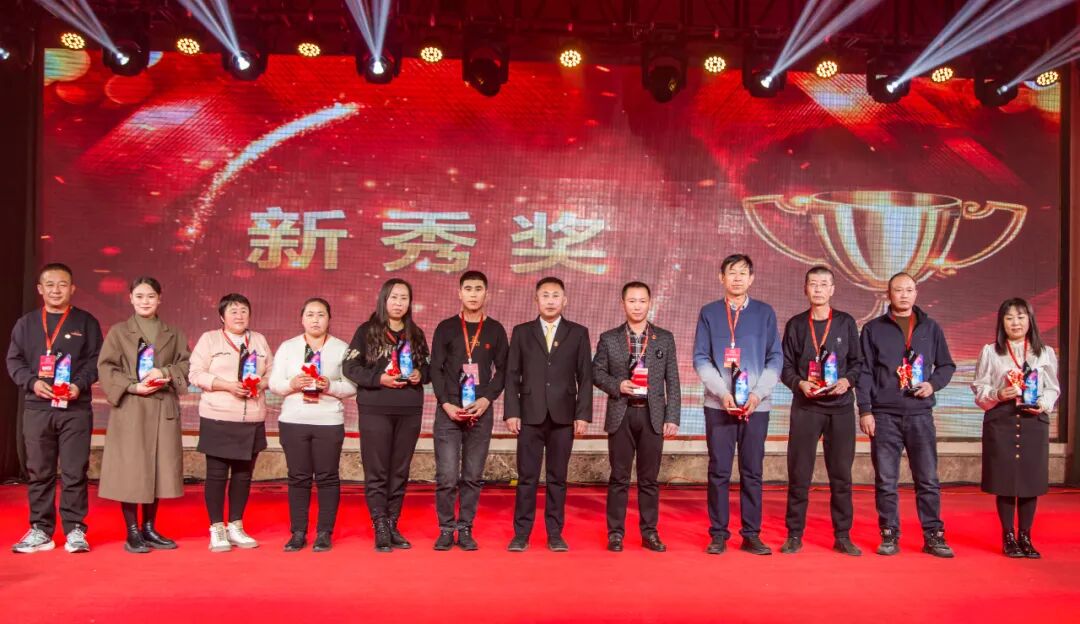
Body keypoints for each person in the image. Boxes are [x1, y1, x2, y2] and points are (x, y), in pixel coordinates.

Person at [857, 272, 956, 558]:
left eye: (909, 290)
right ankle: (889, 534)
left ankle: (933, 536)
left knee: (928, 479)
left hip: (920, 415)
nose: (904, 295)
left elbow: (946, 365)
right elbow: (864, 372)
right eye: (898, 290)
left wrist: (932, 384)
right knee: (886, 480)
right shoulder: (873, 329)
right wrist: (865, 410)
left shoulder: (930, 328)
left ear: (916, 293)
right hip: (884, 415)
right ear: (889, 294)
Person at [7, 263, 102, 553]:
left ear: (72, 288)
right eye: (50, 284)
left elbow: (96, 361)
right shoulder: (26, 324)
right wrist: (32, 382)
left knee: (74, 471)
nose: (56, 290)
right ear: (40, 289)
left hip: (75, 408)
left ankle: (75, 530)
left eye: (62, 284)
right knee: (39, 471)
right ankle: (40, 530)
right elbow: (14, 361)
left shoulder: (86, 322)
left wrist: (79, 385)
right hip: (38, 408)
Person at [693, 253, 782, 555]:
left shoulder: (765, 312)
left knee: (752, 471)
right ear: (721, 277)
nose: (737, 278)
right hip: (719, 406)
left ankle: (751, 534)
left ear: (752, 278)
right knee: (719, 470)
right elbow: (701, 358)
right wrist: (722, 393)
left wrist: (757, 394)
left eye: (743, 273)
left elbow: (775, 358)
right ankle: (718, 534)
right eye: (731, 272)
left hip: (756, 406)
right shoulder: (709, 312)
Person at [97, 276, 190, 553]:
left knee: (158, 469)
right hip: (131, 407)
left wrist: (164, 371)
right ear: (130, 298)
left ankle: (149, 527)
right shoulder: (118, 332)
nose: (145, 301)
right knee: (131, 469)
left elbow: (186, 365)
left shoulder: (174, 333)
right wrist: (132, 386)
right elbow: (107, 368)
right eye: (139, 296)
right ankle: (132, 531)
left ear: (159, 299)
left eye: (150, 296)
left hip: (162, 406)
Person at [505, 276, 592, 553]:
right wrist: (511, 412)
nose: (551, 301)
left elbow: (585, 377)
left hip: (563, 417)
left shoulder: (578, 333)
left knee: (557, 479)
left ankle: (555, 534)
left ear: (565, 300)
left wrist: (582, 414)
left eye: (556, 296)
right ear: (536, 300)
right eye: (545, 295)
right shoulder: (522, 332)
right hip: (529, 415)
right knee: (526, 478)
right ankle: (521, 534)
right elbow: (512, 375)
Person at [779, 266, 862, 556]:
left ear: (832, 289)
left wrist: (847, 381)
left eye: (824, 284)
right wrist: (799, 383)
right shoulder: (796, 325)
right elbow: (785, 366)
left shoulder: (846, 322)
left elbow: (858, 363)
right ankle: (794, 534)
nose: (818, 289)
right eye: (813, 284)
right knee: (799, 473)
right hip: (806, 407)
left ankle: (843, 536)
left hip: (840, 409)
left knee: (841, 475)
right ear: (805, 289)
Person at [593, 281, 680, 553]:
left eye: (642, 301)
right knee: (619, 477)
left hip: (653, 415)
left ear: (650, 303)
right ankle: (615, 534)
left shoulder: (664, 338)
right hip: (622, 413)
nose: (637, 306)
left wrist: (672, 417)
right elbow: (596, 372)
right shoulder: (609, 338)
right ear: (623, 304)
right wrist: (617, 385)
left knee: (649, 479)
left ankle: (650, 532)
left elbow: (673, 381)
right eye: (632, 301)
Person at [343, 278, 430, 553]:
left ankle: (393, 523)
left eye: (404, 298)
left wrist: (419, 374)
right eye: (394, 297)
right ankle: (380, 523)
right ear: (383, 299)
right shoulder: (367, 331)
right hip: (375, 409)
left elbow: (428, 368)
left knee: (400, 470)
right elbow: (349, 367)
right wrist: (379, 378)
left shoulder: (416, 333)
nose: (399, 303)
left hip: (409, 410)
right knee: (378, 469)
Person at [971, 298, 1059, 559]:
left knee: (1031, 481)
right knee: (1006, 480)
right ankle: (1008, 536)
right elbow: (979, 387)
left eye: (1021, 317)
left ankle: (1026, 536)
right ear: (1002, 322)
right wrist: (998, 393)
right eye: (1009, 318)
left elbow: (1053, 388)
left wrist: (1043, 403)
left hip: (1034, 421)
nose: (1015, 323)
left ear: (1030, 319)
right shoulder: (991, 351)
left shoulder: (1045, 352)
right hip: (1002, 419)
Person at [428, 270, 509, 551]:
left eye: (478, 289)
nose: (473, 294)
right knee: (447, 476)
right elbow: (435, 369)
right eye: (468, 289)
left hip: (480, 411)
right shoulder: (446, 327)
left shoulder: (495, 329)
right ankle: (445, 528)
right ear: (459, 293)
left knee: (473, 475)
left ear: (487, 294)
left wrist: (487, 400)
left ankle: (465, 528)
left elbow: (504, 370)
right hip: (449, 411)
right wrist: (446, 404)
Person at [269, 297, 356, 552]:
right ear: (302, 319)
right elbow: (274, 383)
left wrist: (330, 385)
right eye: (310, 314)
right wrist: (292, 384)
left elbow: (352, 386)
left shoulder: (341, 348)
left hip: (328, 421)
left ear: (329, 319)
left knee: (328, 477)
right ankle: (298, 532)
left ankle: (324, 532)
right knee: (298, 477)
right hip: (294, 420)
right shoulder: (288, 347)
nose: (315, 319)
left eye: (321, 314)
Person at [189, 293, 273, 552]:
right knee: (216, 476)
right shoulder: (209, 339)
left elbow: (271, 372)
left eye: (244, 310)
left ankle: (236, 525)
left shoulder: (259, 340)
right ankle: (216, 528)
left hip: (252, 418)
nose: (239, 315)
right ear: (222, 316)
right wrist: (227, 385)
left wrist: (259, 383)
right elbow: (195, 374)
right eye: (233, 311)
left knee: (243, 475)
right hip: (219, 417)